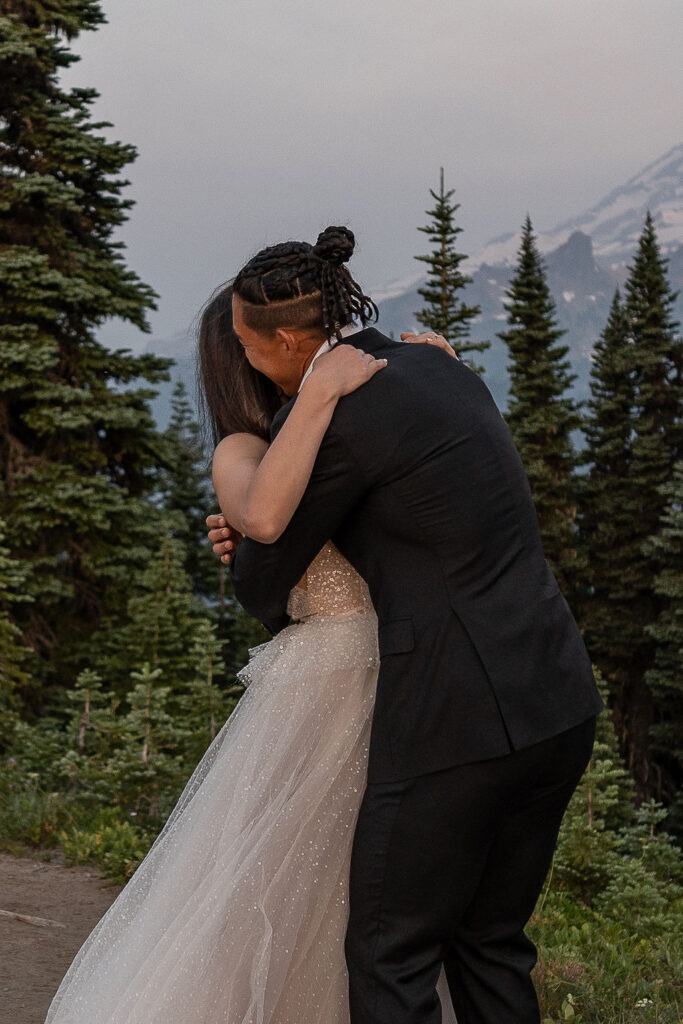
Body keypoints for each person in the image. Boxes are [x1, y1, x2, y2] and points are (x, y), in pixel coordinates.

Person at [210, 224, 605, 1024]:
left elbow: (261, 582)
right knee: (489, 942)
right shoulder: (436, 365)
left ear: (288, 340)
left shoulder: (334, 417)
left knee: (390, 954)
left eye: (248, 349)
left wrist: (239, 532)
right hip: (556, 695)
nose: (248, 364)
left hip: (454, 718)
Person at [43, 280, 458, 1023]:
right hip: (326, 681)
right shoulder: (244, 448)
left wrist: (435, 370)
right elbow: (260, 514)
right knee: (277, 880)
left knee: (365, 891)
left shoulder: (344, 432)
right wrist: (326, 395)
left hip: (401, 666)